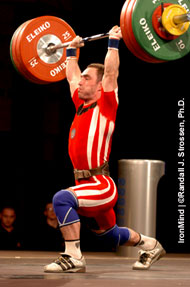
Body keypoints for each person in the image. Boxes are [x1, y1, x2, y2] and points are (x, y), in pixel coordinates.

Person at [44, 26, 165, 273]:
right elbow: (70, 77)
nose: (81, 80)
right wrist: (71, 50)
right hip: (85, 184)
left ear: (100, 87)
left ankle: (74, 257)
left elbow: (111, 72)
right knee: (110, 236)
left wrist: (113, 42)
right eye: (83, 77)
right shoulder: (80, 104)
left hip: (101, 184)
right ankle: (151, 245)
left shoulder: (106, 105)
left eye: (87, 78)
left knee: (61, 199)